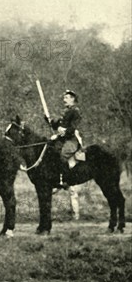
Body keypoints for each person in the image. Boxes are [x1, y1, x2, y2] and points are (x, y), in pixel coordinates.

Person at [45, 89, 82, 219]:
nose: (64, 99)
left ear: (72, 99)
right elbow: (57, 126)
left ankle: (62, 180)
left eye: (67, 97)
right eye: (64, 97)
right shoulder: (65, 112)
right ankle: (55, 177)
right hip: (63, 139)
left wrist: (63, 130)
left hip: (71, 140)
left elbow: (72, 128)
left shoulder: (75, 112)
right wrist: (50, 121)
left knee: (62, 154)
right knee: (50, 152)